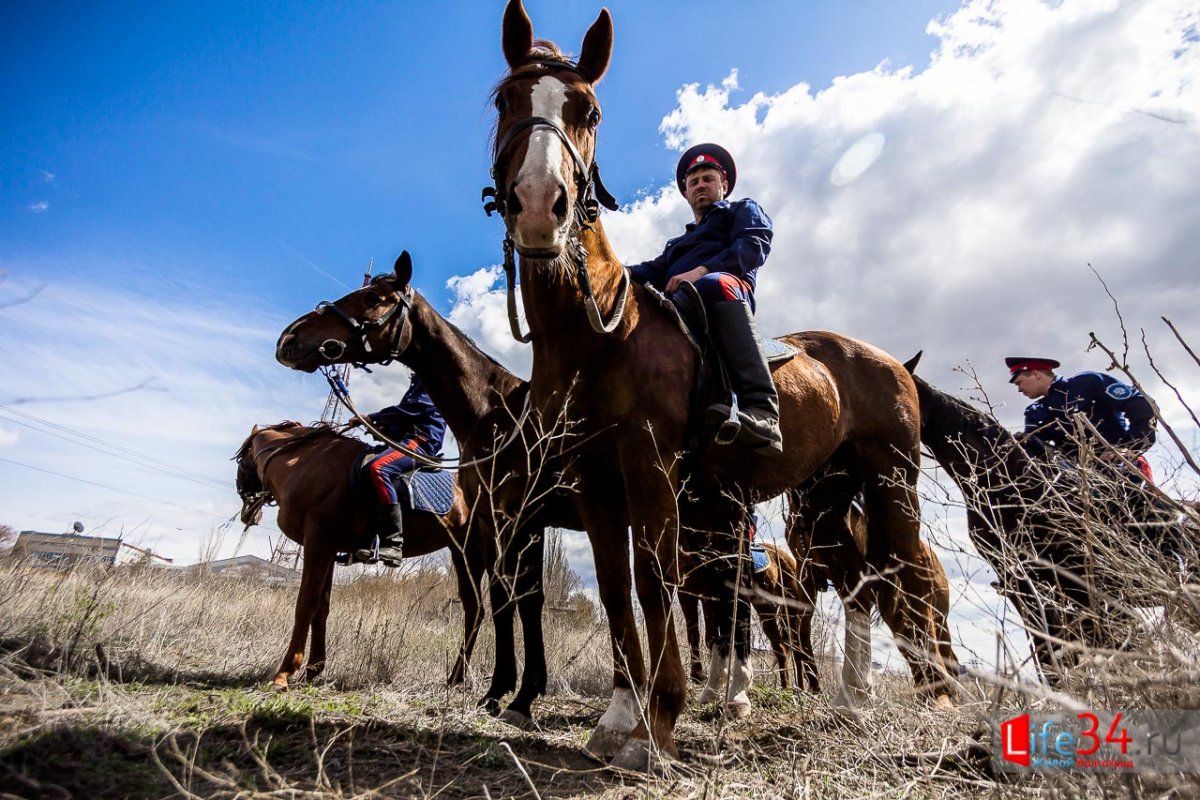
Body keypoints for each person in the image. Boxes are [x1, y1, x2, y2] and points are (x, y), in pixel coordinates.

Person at [627, 143, 781, 453]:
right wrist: (606, 272)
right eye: (693, 182)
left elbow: (753, 246)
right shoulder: (677, 245)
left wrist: (700, 272)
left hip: (726, 292)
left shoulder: (741, 210)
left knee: (713, 283)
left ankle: (762, 408)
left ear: (724, 184)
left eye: (708, 179)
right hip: (681, 307)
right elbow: (648, 271)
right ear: (686, 193)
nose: (700, 185)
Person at [1006, 356, 1156, 479]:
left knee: (1144, 504)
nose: (1019, 389)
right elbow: (1034, 453)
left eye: (1019, 382)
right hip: (1078, 479)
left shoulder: (1087, 383)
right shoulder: (1034, 412)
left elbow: (1141, 404)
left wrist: (1131, 447)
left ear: (1036, 374)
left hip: (1123, 469)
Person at [348, 375, 446, 563]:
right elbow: (404, 421)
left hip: (420, 443)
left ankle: (393, 543)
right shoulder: (417, 383)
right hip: (407, 440)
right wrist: (381, 428)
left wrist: (373, 417)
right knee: (366, 469)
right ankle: (366, 542)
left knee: (378, 469)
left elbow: (417, 408)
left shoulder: (430, 379)